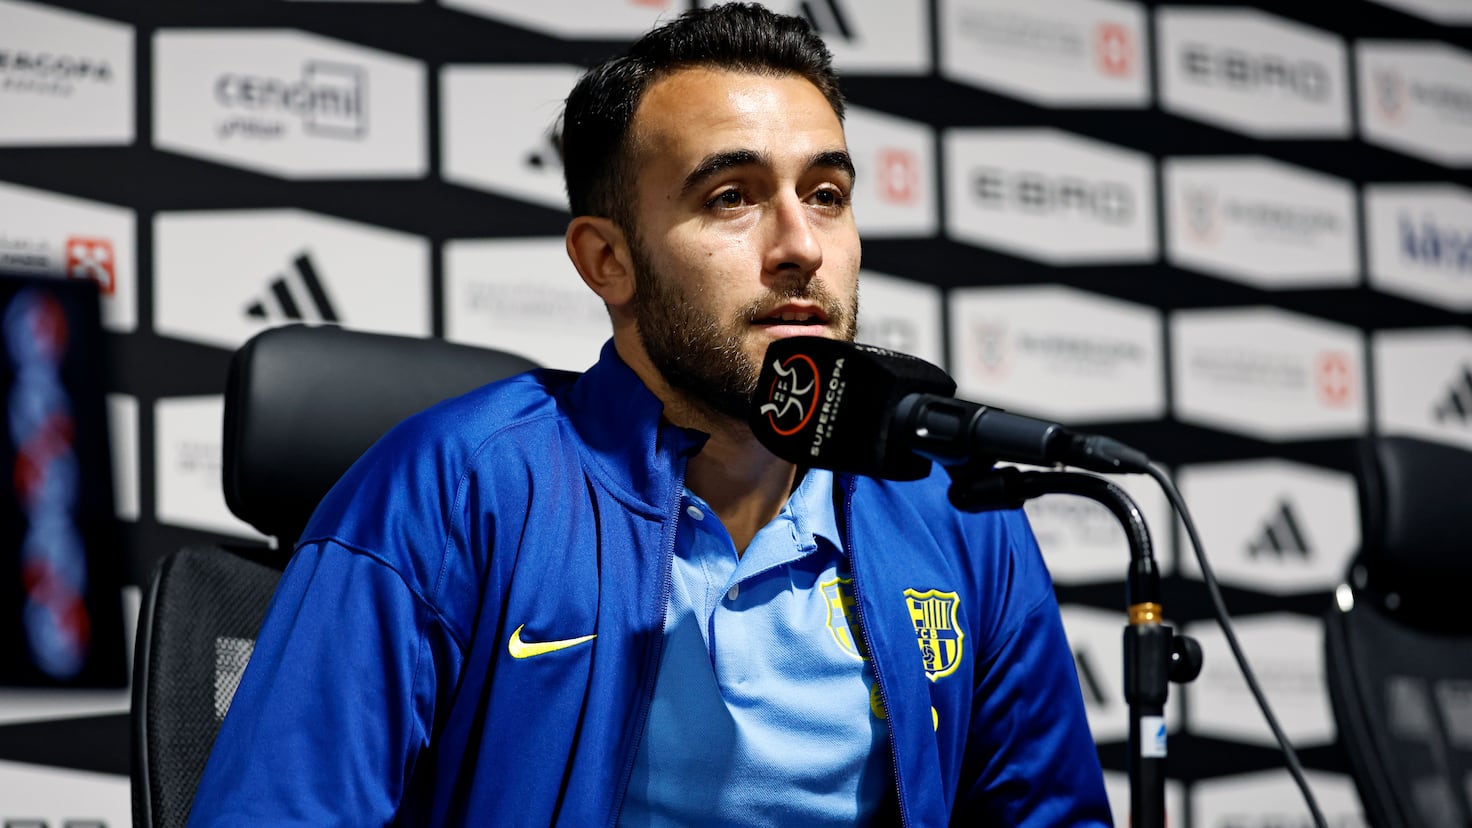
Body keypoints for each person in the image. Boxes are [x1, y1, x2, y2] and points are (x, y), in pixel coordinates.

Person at [188, 4, 1111, 825]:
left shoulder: (954, 512)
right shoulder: (451, 488)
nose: (799, 246)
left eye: (826, 195)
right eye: (731, 198)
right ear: (606, 261)